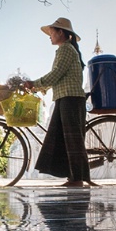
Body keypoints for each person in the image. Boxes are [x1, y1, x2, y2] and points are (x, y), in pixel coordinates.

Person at [23, 18, 92, 188]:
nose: (50, 36)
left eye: (52, 32)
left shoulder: (66, 50)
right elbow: (58, 77)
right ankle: (73, 177)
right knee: (62, 139)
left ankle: (77, 179)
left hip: (71, 98)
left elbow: (56, 74)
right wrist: (38, 87)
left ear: (61, 32)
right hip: (64, 98)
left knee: (73, 140)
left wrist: (35, 84)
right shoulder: (65, 49)